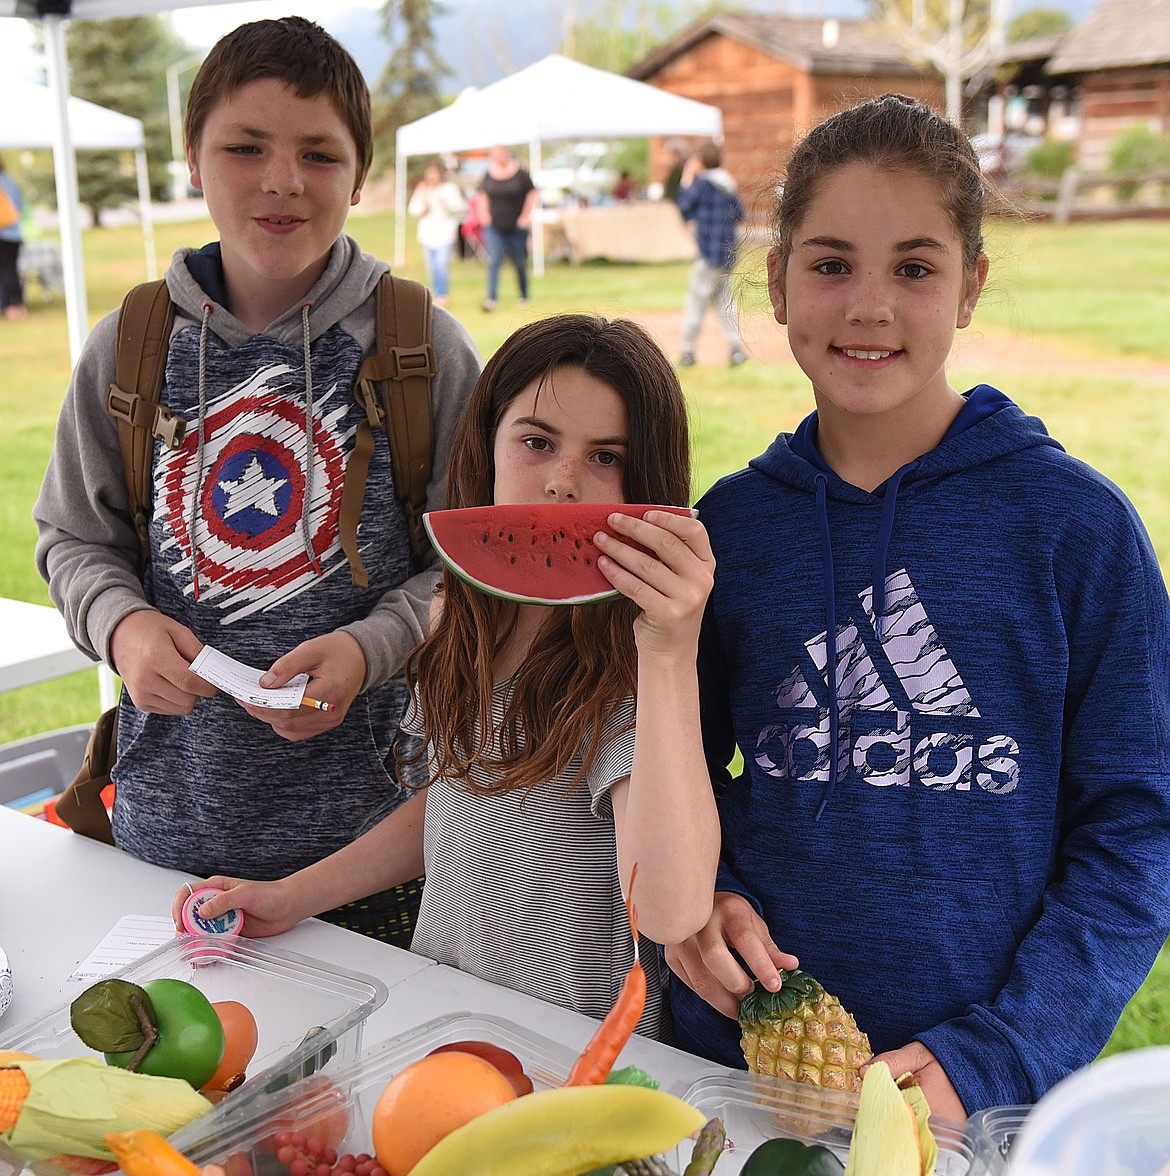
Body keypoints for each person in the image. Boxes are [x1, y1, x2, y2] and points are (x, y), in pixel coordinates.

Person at [666, 93, 1170, 1119]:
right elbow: (670, 773)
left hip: (974, 1097)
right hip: (735, 1064)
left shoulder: (1078, 530)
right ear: (775, 281)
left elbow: (1139, 830)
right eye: (831, 262)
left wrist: (1000, 1051)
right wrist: (695, 899)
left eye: (915, 266)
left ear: (971, 285)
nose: (869, 306)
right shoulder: (731, 528)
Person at [33, 17, 483, 944]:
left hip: (376, 858)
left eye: (318, 154)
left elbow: (474, 569)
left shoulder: (420, 350)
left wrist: (374, 647)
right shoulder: (130, 347)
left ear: (361, 175)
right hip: (163, 841)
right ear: (192, 161)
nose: (282, 180)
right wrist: (120, 627)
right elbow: (74, 539)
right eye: (245, 147)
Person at [175, 313, 720, 1038]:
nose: (561, 482)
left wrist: (669, 651)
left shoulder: (632, 661)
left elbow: (669, 907)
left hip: (574, 1054)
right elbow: (456, 801)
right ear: (485, 446)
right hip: (440, 1018)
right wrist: (291, 895)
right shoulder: (456, 615)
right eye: (536, 441)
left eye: (606, 457)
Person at [676, 142, 747, 369]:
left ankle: (687, 351)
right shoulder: (727, 183)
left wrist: (687, 178)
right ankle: (736, 350)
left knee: (696, 302)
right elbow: (741, 213)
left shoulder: (703, 184)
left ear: (702, 161)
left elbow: (684, 205)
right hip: (727, 254)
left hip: (708, 254)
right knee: (725, 303)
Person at [477, 145, 537, 313]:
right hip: (495, 226)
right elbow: (482, 195)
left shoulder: (521, 174)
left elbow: (532, 193)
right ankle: (491, 298)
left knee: (519, 261)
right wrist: (485, 217)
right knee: (494, 260)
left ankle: (524, 295)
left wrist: (525, 216)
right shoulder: (488, 175)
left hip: (516, 226)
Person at [407, 161, 467, 307]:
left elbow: (461, 207)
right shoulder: (423, 190)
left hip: (445, 233)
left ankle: (443, 294)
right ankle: (434, 293)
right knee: (432, 267)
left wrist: (446, 203)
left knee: (441, 264)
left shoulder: (449, 189)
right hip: (427, 234)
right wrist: (423, 206)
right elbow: (413, 210)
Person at [0, 157, 27, 320]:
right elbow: (20, 207)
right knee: (11, 270)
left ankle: (9, 306)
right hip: (14, 234)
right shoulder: (10, 182)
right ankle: (17, 305)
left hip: (3, 234)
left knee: (5, 271)